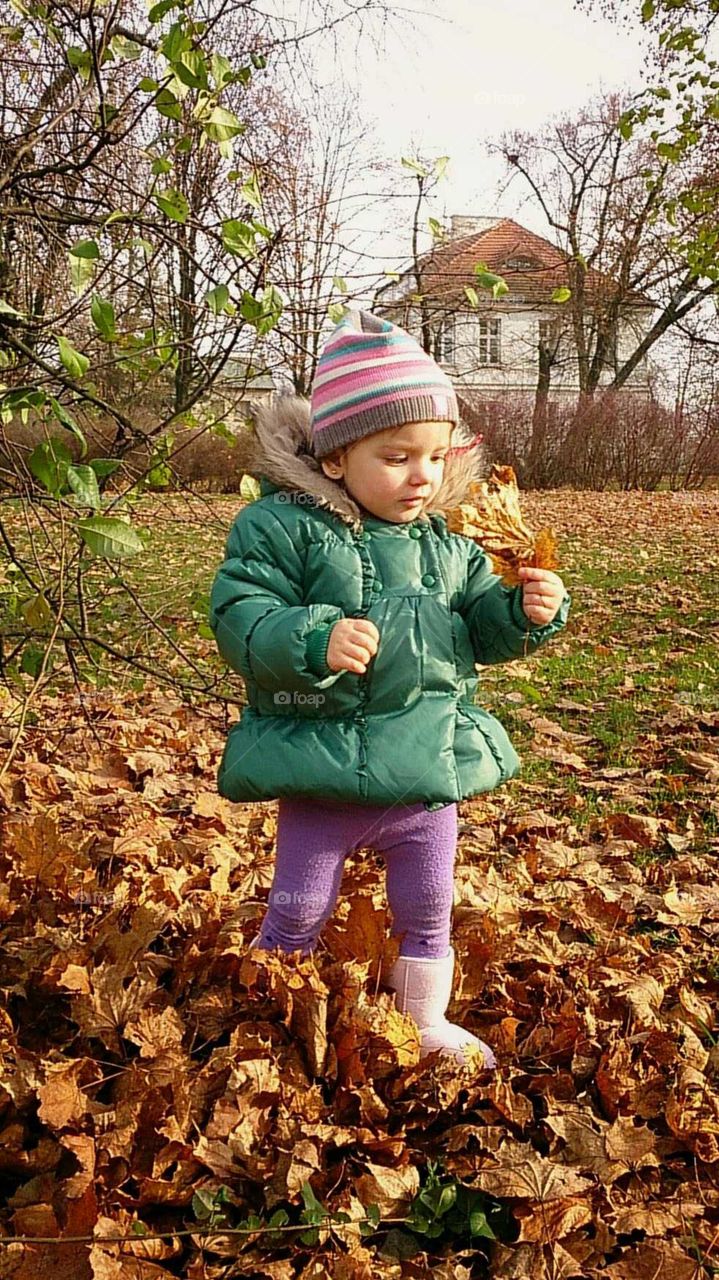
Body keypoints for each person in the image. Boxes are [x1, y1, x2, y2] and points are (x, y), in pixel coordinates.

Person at [209, 309, 570, 1070]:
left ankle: (423, 1022)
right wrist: (311, 638)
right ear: (336, 458)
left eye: (435, 458)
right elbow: (242, 615)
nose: (422, 477)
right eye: (397, 456)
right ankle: (274, 1011)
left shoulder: (446, 543)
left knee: (428, 907)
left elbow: (479, 625)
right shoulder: (283, 530)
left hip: (423, 766)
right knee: (299, 905)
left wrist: (523, 612)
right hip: (321, 766)